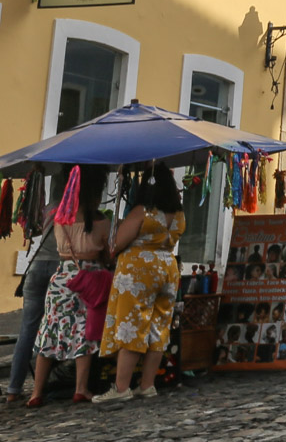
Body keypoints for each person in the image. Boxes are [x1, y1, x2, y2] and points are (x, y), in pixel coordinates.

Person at [96, 165, 186, 403]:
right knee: (158, 326)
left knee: (131, 326)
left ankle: (122, 386)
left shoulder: (142, 212)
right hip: (167, 268)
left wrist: (113, 236)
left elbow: (117, 244)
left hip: (138, 271)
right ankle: (147, 384)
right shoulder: (178, 215)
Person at [29, 166, 112, 406]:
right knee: (84, 333)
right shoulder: (102, 221)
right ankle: (81, 388)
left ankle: (36, 393)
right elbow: (105, 253)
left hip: (62, 279)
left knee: (50, 331)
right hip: (90, 280)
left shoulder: (59, 217)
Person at [5, 170, 60, 406]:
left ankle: (13, 389)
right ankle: (47, 385)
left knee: (27, 330)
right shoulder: (75, 209)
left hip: (36, 267)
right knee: (56, 329)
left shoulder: (46, 208)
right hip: (60, 267)